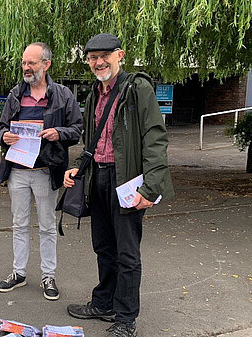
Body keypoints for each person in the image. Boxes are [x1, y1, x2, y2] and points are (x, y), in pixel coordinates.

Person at [64, 33, 175, 337]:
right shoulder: (94, 93)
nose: (98, 62)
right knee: (103, 246)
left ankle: (126, 318)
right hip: (98, 176)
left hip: (126, 180)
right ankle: (104, 303)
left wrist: (151, 187)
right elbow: (94, 141)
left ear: (120, 55)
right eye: (92, 58)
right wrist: (78, 168)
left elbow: (154, 137)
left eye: (104, 56)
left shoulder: (137, 88)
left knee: (127, 252)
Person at [0, 42, 83, 300]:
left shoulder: (63, 95)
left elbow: (77, 129)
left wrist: (59, 133)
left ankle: (48, 276)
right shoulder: (15, 95)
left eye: (31, 62)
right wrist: (5, 136)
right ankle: (18, 273)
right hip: (18, 171)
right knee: (19, 224)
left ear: (46, 64)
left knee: (46, 227)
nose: (26, 67)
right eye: (24, 62)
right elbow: (1, 128)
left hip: (47, 170)